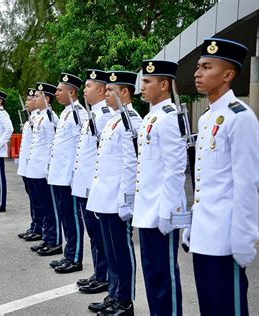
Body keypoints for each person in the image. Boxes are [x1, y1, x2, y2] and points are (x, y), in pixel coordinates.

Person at [182, 38, 259, 316]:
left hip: (227, 237)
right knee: (210, 306)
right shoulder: (206, 119)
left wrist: (244, 239)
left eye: (206, 67)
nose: (197, 73)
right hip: (205, 234)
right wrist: (193, 223)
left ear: (228, 75)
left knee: (229, 308)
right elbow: (205, 182)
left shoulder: (241, 117)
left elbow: (247, 185)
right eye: (198, 67)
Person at [132, 60, 186, 315]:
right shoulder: (150, 117)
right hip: (147, 209)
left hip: (162, 210)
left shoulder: (170, 118)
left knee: (165, 276)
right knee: (153, 274)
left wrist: (168, 212)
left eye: (147, 82)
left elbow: (176, 169)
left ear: (164, 85)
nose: (142, 87)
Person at [87, 71, 142, 315]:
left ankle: (125, 301)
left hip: (118, 199)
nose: (106, 94)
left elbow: (131, 165)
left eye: (111, 90)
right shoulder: (114, 120)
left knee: (122, 251)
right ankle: (114, 294)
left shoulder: (132, 120)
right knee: (111, 252)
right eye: (106, 90)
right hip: (105, 197)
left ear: (125, 93)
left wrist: (126, 201)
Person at [71, 69, 114, 294]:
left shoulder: (105, 114)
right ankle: (99, 272)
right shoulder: (93, 115)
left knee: (98, 234)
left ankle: (103, 275)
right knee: (94, 234)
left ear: (100, 89)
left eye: (88, 86)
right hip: (84, 183)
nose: (85, 91)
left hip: (92, 185)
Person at [48, 73, 88, 273]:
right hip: (59, 174)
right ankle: (68, 253)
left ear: (72, 92)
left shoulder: (78, 113)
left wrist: (74, 175)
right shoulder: (65, 112)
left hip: (69, 176)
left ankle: (75, 257)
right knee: (65, 216)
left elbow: (80, 146)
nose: (56, 93)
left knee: (72, 217)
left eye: (60, 90)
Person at [27, 82, 63, 256]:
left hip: (44, 168)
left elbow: (51, 144)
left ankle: (54, 241)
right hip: (36, 167)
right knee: (43, 205)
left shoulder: (50, 116)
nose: (34, 98)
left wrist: (49, 168)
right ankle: (48, 238)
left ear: (46, 99)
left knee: (50, 207)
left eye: (37, 96)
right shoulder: (41, 116)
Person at [17, 88, 43, 241]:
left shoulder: (41, 118)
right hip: (27, 165)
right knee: (33, 198)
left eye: (29, 99)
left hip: (34, 166)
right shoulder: (31, 119)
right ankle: (34, 225)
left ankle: (39, 228)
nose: (27, 103)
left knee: (38, 200)